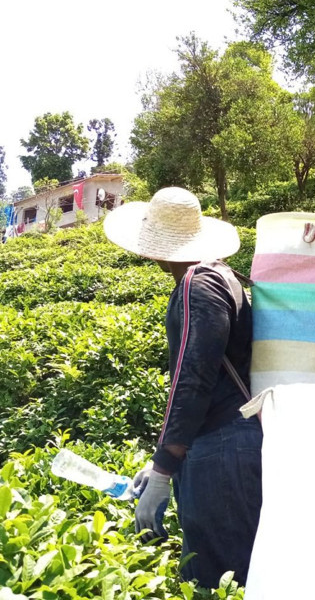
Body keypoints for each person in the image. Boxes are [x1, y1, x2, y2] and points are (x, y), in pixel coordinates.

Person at [103, 187, 262, 588]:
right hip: (225, 445)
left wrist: (162, 468)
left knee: (218, 581)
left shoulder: (198, 282)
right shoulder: (217, 278)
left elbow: (193, 379)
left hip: (222, 451)